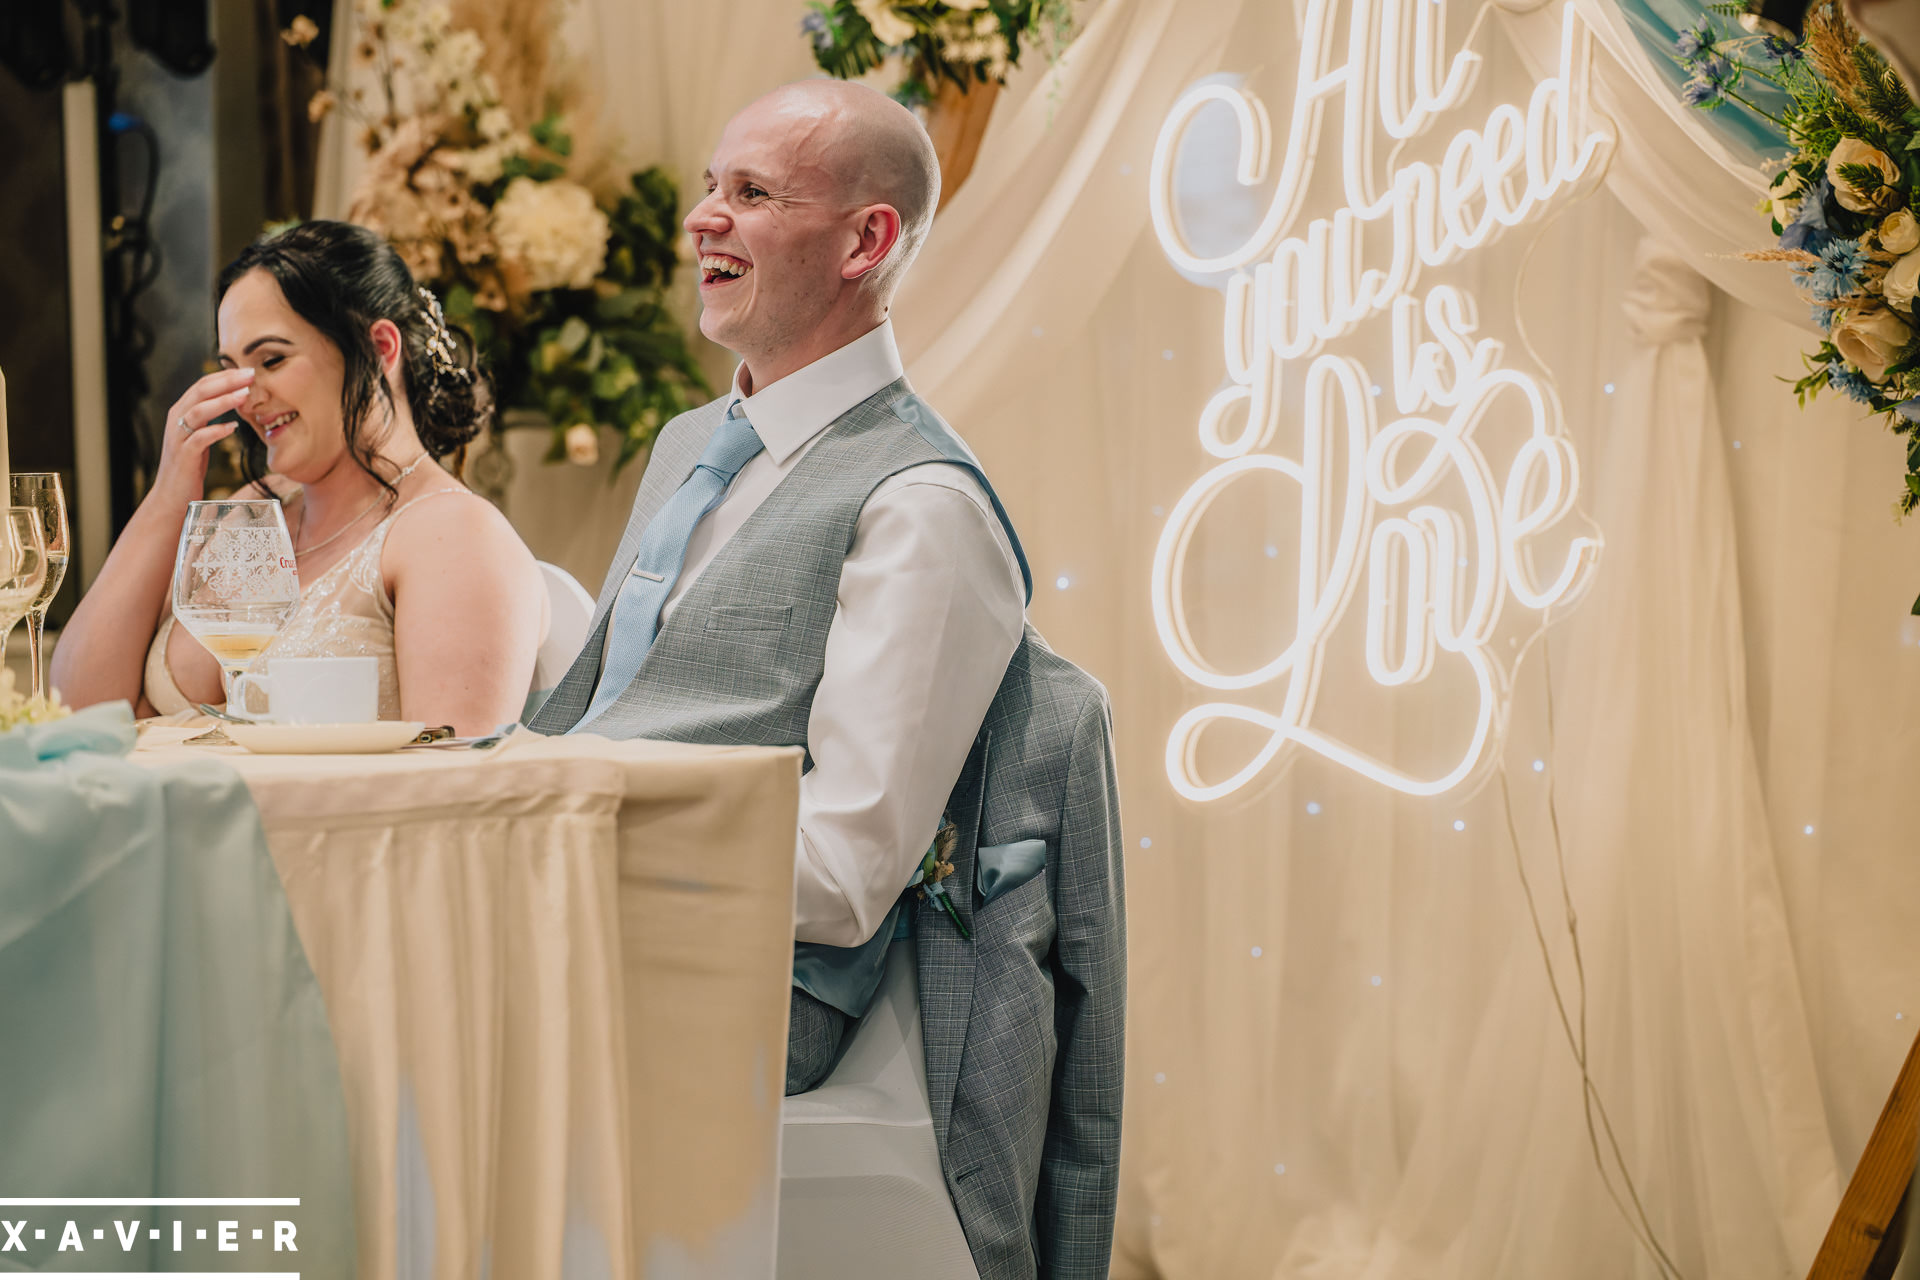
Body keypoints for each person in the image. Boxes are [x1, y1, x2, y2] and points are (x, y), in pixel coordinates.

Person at [527, 80, 1124, 1277]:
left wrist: (566, 835)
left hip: (735, 987)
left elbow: (847, 869)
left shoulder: (921, 505)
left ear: (868, 240)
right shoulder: (691, 444)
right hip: (578, 921)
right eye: (710, 186)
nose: (705, 218)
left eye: (752, 194)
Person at [55, 221, 546, 735]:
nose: (246, 397)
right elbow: (80, 713)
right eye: (232, 369)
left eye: (272, 359)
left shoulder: (454, 534)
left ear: (380, 348)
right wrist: (167, 499)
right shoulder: (249, 516)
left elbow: (457, 783)